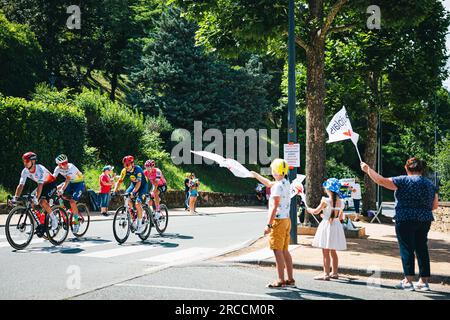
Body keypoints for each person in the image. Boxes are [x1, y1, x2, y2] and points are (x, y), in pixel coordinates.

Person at [361, 157, 438, 291]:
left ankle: (408, 281)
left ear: (406, 168)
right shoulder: (430, 184)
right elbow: (435, 205)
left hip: (405, 218)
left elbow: (381, 181)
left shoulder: (402, 180)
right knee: (422, 248)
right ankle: (423, 281)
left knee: (407, 248)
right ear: (421, 169)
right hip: (424, 219)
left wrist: (368, 170)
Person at [251, 158, 295, 288]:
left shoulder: (277, 187)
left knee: (277, 251)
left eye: (272, 169)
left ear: (275, 170)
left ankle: (280, 280)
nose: (271, 171)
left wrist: (268, 225)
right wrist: (256, 175)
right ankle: (290, 279)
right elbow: (269, 183)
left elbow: (274, 207)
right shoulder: (286, 182)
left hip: (278, 221)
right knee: (285, 250)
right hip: (287, 220)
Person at [307, 178, 347, 281]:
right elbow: (341, 217)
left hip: (326, 226)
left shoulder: (325, 200)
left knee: (325, 251)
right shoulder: (341, 202)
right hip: (337, 226)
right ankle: (335, 273)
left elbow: (315, 211)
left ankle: (325, 274)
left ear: (328, 189)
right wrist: (326, 216)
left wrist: (309, 209)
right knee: (333, 251)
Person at [13, 152, 59, 230]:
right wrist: (15, 198)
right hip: (42, 185)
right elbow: (21, 185)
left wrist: (37, 198)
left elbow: (40, 185)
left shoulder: (40, 169)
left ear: (33, 161)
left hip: (51, 184)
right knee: (30, 202)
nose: (25, 163)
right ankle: (35, 223)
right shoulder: (25, 171)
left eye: (27, 161)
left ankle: (54, 219)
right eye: (24, 161)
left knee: (42, 201)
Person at [113, 155, 149, 234]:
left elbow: (139, 183)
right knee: (126, 197)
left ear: (132, 164)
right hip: (133, 184)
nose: (126, 167)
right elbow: (119, 181)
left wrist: (133, 192)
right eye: (124, 165)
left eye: (127, 165)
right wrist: (114, 191)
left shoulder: (138, 170)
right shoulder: (124, 170)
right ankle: (133, 215)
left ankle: (140, 226)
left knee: (137, 203)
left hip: (142, 186)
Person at [53, 154, 86, 233]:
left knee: (72, 201)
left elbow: (67, 180)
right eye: (62, 163)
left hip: (79, 184)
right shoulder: (57, 168)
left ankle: (76, 223)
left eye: (66, 162)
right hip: (71, 183)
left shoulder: (71, 167)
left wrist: (62, 190)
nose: (65, 164)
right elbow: (52, 178)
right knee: (56, 189)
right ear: (58, 164)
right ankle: (65, 210)